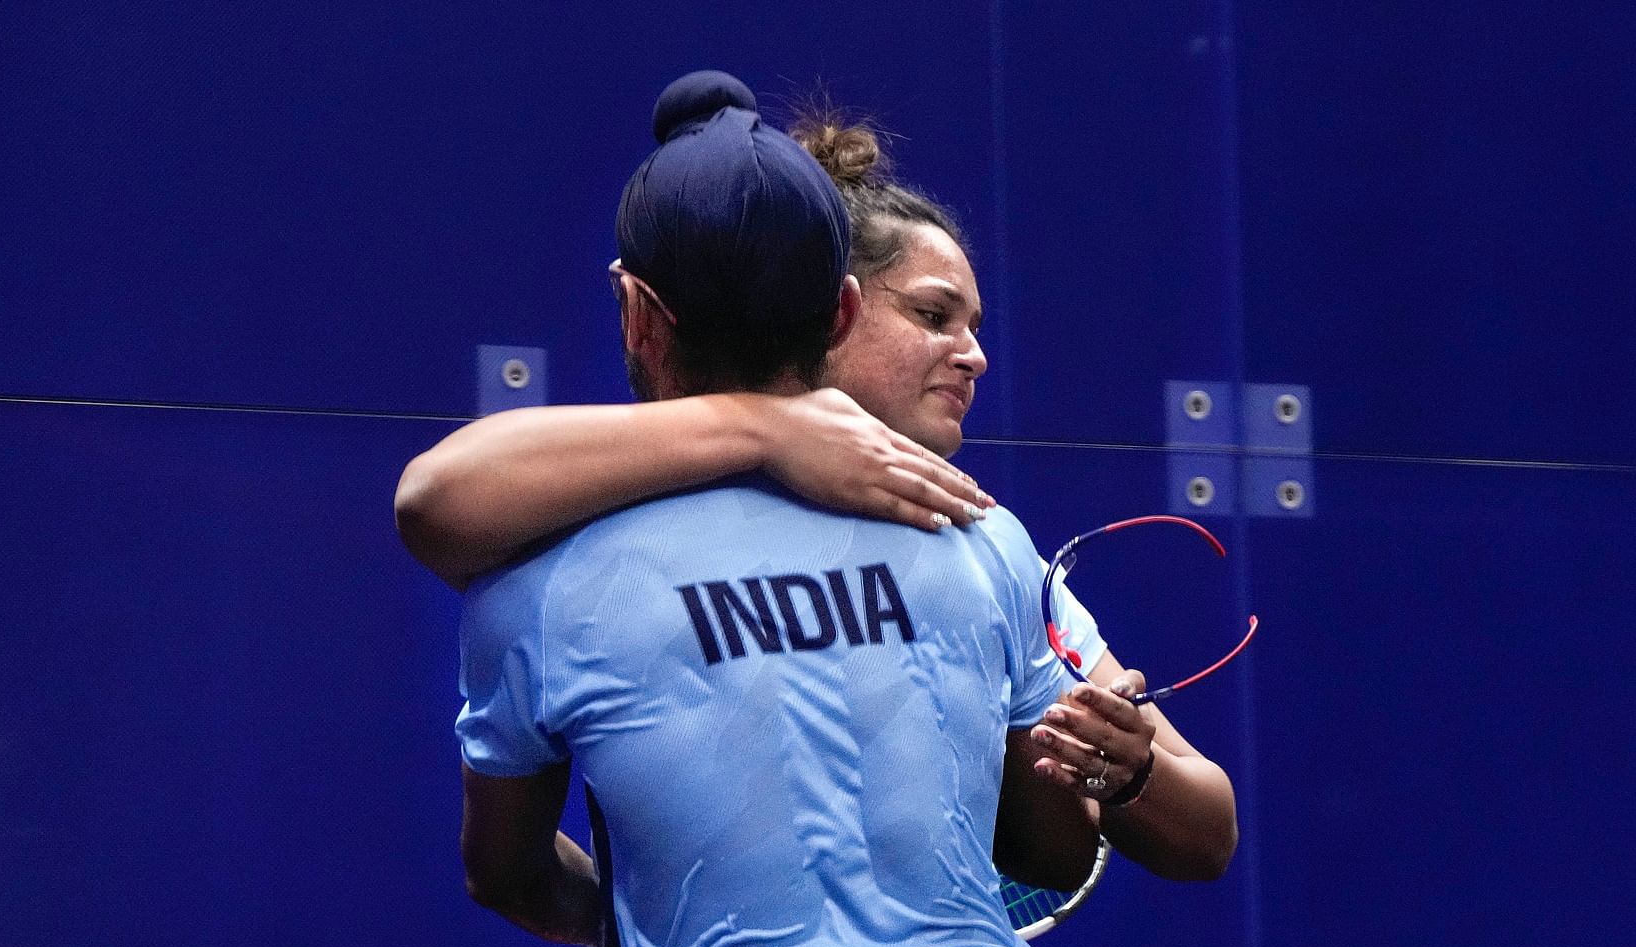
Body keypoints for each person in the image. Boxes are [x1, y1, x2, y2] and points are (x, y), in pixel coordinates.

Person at [446, 71, 1111, 947]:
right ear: (840, 308)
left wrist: (637, 924)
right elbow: (1055, 850)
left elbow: (507, 875)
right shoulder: (977, 533)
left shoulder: (538, 584)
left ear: (635, 310)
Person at [399, 112, 1238, 885]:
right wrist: (773, 429)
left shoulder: (986, 548)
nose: (974, 354)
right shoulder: (615, 515)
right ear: (834, 308)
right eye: (934, 315)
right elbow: (439, 498)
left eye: (974, 325)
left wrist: (1130, 772)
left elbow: (1182, 832)